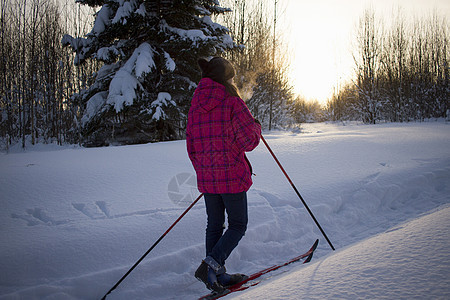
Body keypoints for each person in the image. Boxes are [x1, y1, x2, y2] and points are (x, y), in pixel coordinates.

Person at [186, 57, 261, 293]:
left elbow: (191, 146)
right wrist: (256, 126)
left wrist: (205, 169)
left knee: (215, 226)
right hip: (231, 176)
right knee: (238, 225)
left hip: (209, 178)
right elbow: (249, 141)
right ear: (225, 78)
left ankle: (217, 274)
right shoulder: (232, 102)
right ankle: (210, 266)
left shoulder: (195, 105)